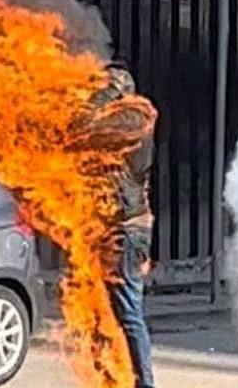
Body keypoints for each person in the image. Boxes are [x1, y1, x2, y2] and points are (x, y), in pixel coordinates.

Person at [90, 63, 157, 388]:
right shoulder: (121, 119)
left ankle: (144, 384)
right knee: (103, 308)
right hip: (114, 227)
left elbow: (82, 125)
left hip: (126, 231)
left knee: (128, 312)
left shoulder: (133, 118)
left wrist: (105, 91)